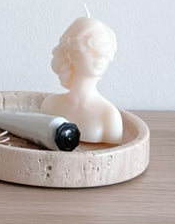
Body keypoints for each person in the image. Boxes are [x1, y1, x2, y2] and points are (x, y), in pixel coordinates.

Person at [42, 16, 124, 144]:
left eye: (105, 49)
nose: (100, 56)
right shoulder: (50, 105)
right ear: (71, 53)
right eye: (91, 47)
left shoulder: (109, 116)